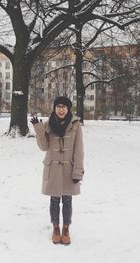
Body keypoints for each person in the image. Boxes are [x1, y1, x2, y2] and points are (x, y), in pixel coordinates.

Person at [30, 96, 84, 245]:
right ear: (54, 108)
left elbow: (79, 150)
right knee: (54, 200)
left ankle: (66, 229)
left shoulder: (75, 124)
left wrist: (78, 171)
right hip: (53, 168)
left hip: (69, 168)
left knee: (67, 200)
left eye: (64, 107)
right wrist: (39, 129)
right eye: (58, 106)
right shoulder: (48, 125)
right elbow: (44, 147)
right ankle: (55, 228)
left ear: (68, 109)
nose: (61, 109)